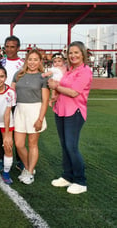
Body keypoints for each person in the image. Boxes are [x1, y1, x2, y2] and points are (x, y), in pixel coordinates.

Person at [48, 41, 92, 194]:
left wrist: (56, 87)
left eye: (76, 53)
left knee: (72, 147)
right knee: (64, 145)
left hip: (75, 112)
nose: (73, 55)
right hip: (61, 110)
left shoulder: (85, 71)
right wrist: (55, 96)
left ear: (83, 54)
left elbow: (74, 92)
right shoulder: (69, 70)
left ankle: (80, 181)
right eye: (70, 53)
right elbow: (63, 89)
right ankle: (67, 176)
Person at [12, 49, 49, 185]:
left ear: (40, 61)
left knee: (32, 144)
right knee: (19, 144)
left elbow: (45, 100)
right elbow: (10, 93)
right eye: (30, 59)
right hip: (20, 111)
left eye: (35, 60)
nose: (32, 62)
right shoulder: (18, 74)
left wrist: (40, 119)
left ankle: (30, 171)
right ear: (26, 60)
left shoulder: (43, 77)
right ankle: (28, 168)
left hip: (35, 111)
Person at [0, 35, 24, 171]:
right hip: (2, 103)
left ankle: (20, 160)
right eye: (7, 47)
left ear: (18, 48)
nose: (9, 49)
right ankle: (1, 159)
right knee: (1, 131)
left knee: (18, 131)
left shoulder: (24, 64)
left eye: (13, 47)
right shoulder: (0, 63)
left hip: (19, 102)